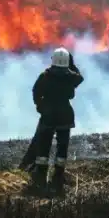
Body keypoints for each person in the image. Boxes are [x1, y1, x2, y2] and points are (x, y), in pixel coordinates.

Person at [27, 47, 84, 194]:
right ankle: (58, 176)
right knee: (62, 147)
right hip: (65, 115)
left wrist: (40, 106)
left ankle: (40, 176)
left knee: (44, 146)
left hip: (49, 116)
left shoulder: (44, 76)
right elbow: (80, 77)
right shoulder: (71, 77)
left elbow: (36, 91)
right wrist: (71, 64)